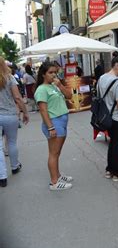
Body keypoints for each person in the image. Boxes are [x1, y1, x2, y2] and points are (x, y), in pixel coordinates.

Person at [35, 61, 73, 191]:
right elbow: (43, 110)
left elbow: (69, 96)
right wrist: (50, 127)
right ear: (43, 74)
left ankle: (57, 175)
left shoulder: (54, 86)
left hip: (61, 121)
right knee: (53, 153)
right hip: (54, 122)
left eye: (55, 72)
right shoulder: (41, 89)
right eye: (50, 72)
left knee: (57, 153)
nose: (53, 75)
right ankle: (54, 182)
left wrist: (60, 85)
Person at [97, 54, 118, 181]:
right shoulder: (117, 82)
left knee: (113, 144)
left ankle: (109, 170)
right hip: (117, 117)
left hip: (106, 117)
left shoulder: (102, 78)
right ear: (117, 65)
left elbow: (104, 97)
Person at [0, 57, 29, 188]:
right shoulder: (9, 78)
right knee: (11, 142)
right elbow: (17, 97)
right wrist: (25, 112)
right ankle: (15, 166)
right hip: (10, 115)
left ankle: (2, 177)